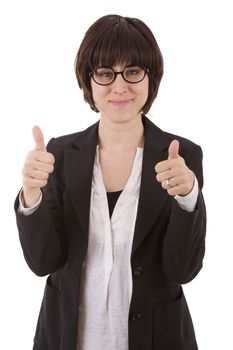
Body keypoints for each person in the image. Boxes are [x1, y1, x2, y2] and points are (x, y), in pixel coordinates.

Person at [14, 14, 206, 350]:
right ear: (88, 81)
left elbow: (182, 270)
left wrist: (188, 196)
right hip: (67, 337)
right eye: (105, 73)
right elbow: (43, 262)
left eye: (132, 71)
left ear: (151, 78)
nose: (120, 86)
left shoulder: (181, 156)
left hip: (156, 338)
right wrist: (31, 196)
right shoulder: (59, 153)